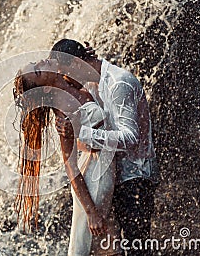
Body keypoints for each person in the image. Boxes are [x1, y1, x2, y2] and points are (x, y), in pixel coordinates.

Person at [51, 39, 160, 256]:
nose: (65, 79)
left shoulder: (118, 83)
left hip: (134, 178)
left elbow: (130, 137)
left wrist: (82, 134)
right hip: (112, 175)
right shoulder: (92, 83)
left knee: (137, 249)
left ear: (76, 65)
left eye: (66, 73)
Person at [13, 59, 122, 255]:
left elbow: (91, 75)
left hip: (104, 167)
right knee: (88, 245)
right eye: (38, 70)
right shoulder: (63, 112)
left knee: (108, 243)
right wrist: (91, 213)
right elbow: (70, 168)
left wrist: (87, 57)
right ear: (45, 89)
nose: (42, 61)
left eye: (34, 63)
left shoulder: (69, 82)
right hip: (96, 181)